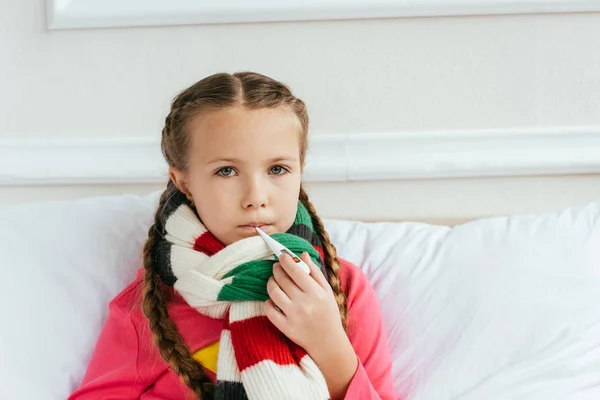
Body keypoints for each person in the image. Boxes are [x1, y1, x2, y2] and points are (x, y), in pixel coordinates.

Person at [69, 72, 398, 399]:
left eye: (277, 169)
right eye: (226, 171)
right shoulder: (149, 305)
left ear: (300, 171)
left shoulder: (343, 288)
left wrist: (328, 344)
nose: (256, 197)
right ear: (184, 183)